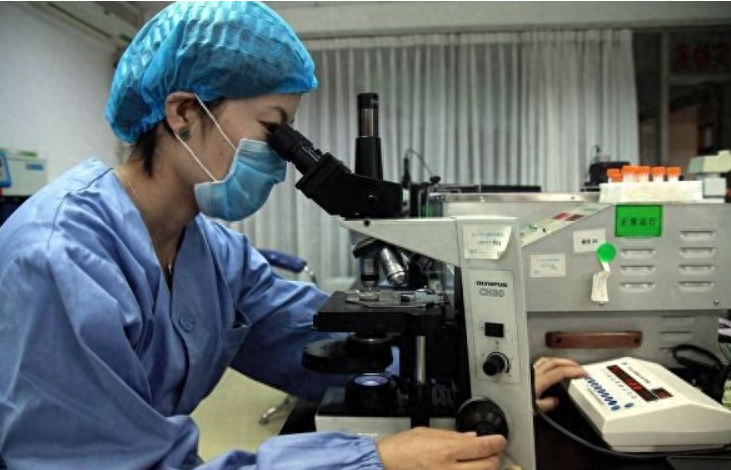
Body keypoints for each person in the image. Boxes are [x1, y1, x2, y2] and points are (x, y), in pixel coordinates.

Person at [0, 2, 586, 469]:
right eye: (272, 130)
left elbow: (309, 336)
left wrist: (481, 379)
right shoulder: (59, 260)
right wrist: (371, 461)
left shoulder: (213, 252)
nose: (283, 161)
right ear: (183, 113)